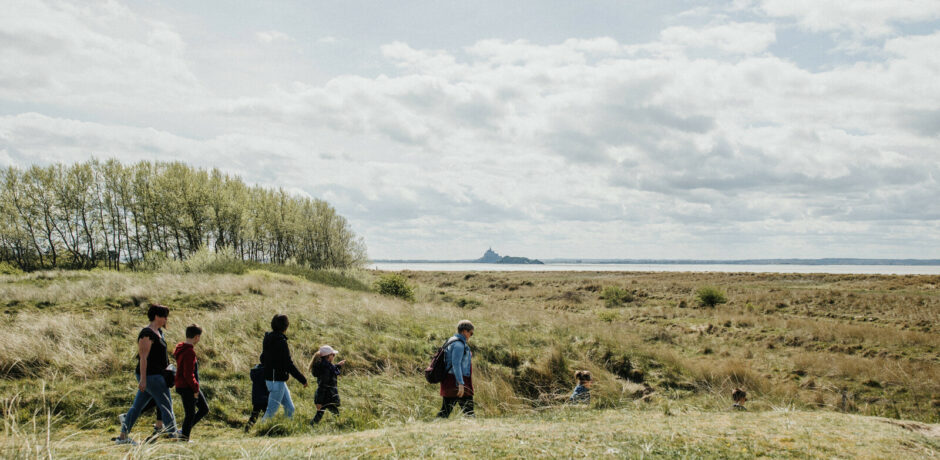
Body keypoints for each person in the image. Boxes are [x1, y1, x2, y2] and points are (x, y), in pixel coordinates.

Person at [115, 304, 179, 444]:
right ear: (156, 316)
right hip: (151, 376)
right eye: (164, 316)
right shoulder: (147, 334)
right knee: (166, 405)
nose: (166, 319)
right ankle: (174, 435)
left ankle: (122, 437)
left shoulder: (159, 332)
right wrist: (143, 380)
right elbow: (143, 358)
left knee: (137, 407)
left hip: (157, 376)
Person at [259, 314, 307, 420]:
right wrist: (302, 379)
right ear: (285, 327)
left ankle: (287, 431)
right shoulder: (281, 342)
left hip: (273, 380)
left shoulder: (267, 339)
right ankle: (261, 431)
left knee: (290, 409)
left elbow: (262, 358)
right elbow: (288, 364)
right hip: (277, 381)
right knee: (271, 412)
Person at [173, 324, 209, 441]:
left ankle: (184, 431)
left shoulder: (181, 348)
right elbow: (188, 374)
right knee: (190, 413)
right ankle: (184, 438)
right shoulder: (189, 352)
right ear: (197, 337)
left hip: (184, 385)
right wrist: (195, 389)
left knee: (203, 409)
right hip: (188, 386)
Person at [437, 320, 474, 418]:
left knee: (445, 410)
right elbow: (456, 364)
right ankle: (474, 428)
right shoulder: (458, 345)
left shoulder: (451, 340)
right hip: (456, 380)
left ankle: (433, 427)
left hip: (451, 379)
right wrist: (461, 384)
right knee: (468, 410)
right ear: (465, 331)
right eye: (471, 333)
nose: (471, 336)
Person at [309, 345, 345, 424]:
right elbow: (323, 385)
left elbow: (331, 369)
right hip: (326, 396)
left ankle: (311, 426)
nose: (334, 356)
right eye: (333, 355)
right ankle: (339, 425)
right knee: (334, 413)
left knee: (321, 414)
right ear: (328, 356)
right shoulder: (326, 369)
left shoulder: (325, 366)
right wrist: (319, 401)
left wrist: (338, 366)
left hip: (326, 395)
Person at [244, 364, 269, 432]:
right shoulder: (266, 371)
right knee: (267, 415)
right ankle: (266, 429)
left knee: (255, 414)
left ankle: (247, 428)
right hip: (264, 397)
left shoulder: (255, 371)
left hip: (256, 397)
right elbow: (267, 385)